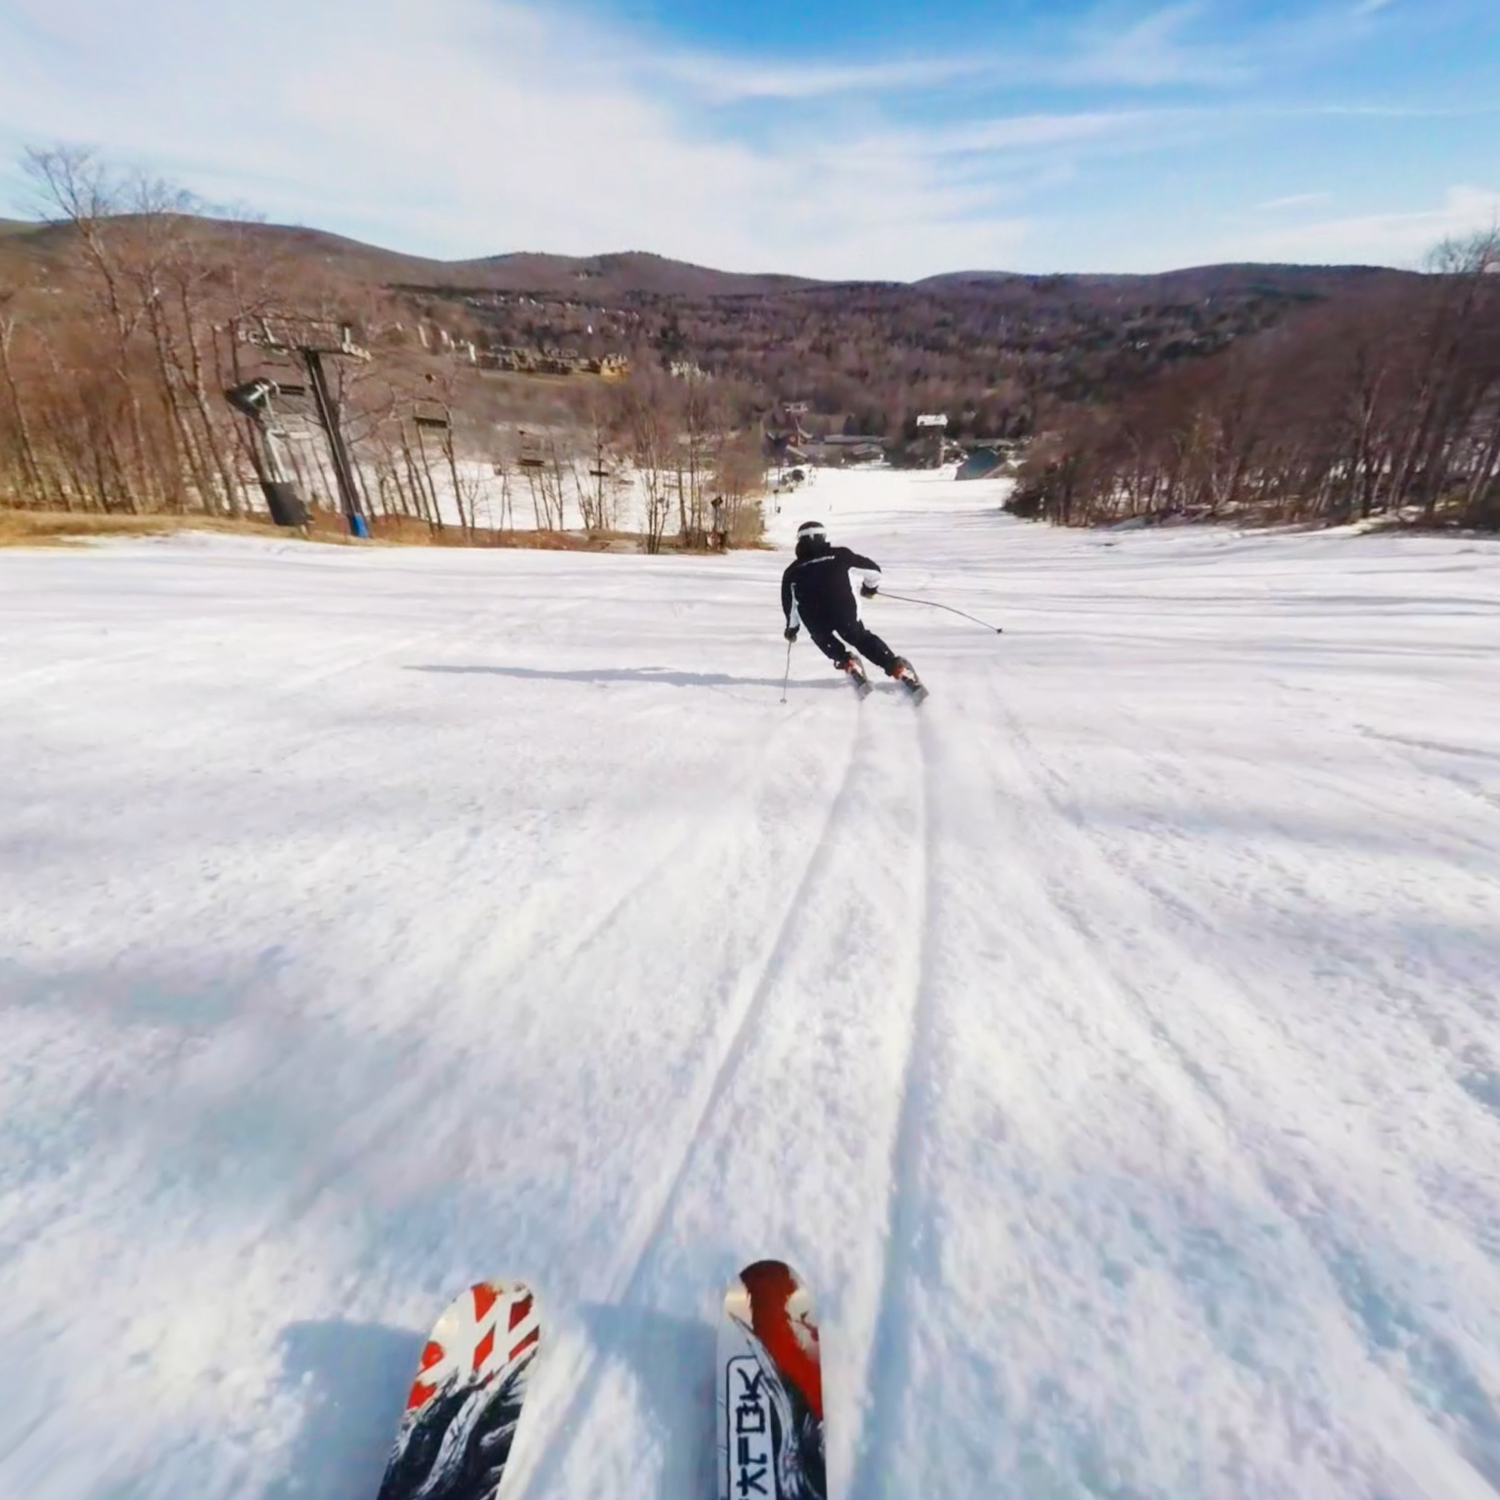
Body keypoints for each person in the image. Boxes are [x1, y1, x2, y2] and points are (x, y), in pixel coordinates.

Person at [780, 520, 922, 691]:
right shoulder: (841, 555)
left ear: (799, 542)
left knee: (822, 638)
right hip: (843, 610)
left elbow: (790, 606)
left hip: (814, 616)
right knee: (858, 637)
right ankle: (895, 667)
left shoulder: (792, 571)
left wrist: (792, 629)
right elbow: (874, 571)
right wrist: (869, 588)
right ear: (823, 537)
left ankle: (847, 661)